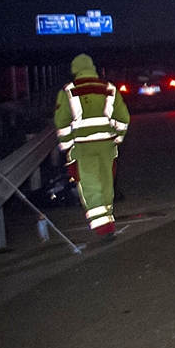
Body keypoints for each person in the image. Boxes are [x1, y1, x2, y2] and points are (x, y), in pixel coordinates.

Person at [54, 54, 129, 237]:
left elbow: (62, 122)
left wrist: (67, 146)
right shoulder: (109, 88)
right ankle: (108, 217)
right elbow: (123, 118)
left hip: (83, 146)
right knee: (106, 182)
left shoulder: (68, 90)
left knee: (90, 184)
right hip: (107, 146)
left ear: (75, 70)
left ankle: (103, 227)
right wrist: (117, 138)